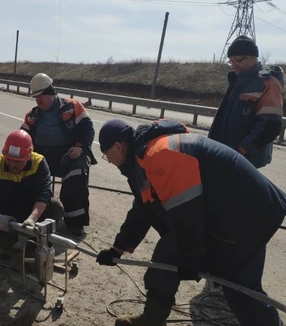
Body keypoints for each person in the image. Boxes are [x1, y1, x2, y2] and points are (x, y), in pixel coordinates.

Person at [96, 118, 285, 326]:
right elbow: (143, 210)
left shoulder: (159, 156)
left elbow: (187, 214)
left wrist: (190, 258)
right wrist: (118, 248)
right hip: (231, 211)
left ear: (117, 146)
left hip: (245, 215)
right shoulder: (143, 159)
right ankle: (152, 318)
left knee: (241, 290)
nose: (109, 161)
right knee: (167, 256)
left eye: (106, 155)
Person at [20, 73, 97, 237]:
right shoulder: (32, 115)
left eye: (40, 96)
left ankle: (75, 221)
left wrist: (80, 148)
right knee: (22, 170)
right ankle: (32, 213)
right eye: (35, 97)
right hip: (41, 155)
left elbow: (88, 129)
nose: (38, 101)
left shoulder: (72, 107)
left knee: (77, 170)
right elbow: (22, 135)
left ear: (50, 92)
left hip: (67, 154)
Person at [0, 129, 64, 254]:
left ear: (29, 156)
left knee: (56, 207)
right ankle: (6, 245)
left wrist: (33, 218)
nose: (12, 165)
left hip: (30, 208)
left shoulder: (39, 163)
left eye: (17, 161)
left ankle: (34, 244)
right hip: (4, 212)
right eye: (8, 159)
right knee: (2, 238)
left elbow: (44, 193)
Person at [209, 35, 284, 169]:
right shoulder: (237, 81)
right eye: (231, 62)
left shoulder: (268, 83)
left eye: (237, 61)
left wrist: (242, 149)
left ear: (252, 58)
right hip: (225, 154)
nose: (233, 66)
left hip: (243, 159)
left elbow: (270, 125)